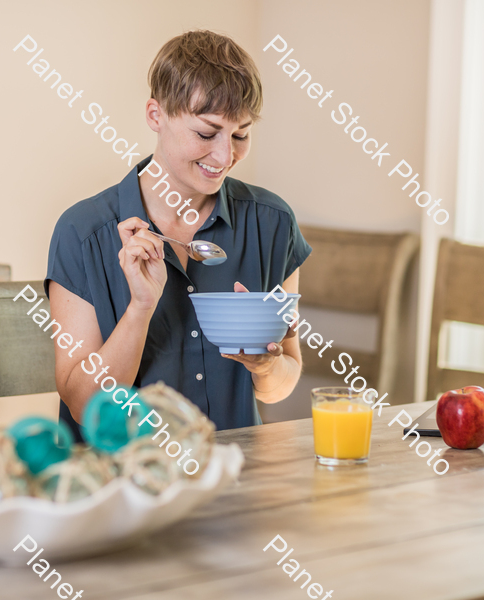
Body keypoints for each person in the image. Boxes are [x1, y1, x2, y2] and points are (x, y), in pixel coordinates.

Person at [45, 29, 312, 436]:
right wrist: (140, 308)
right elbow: (84, 406)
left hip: (233, 477)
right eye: (207, 133)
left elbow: (280, 384)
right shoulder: (83, 233)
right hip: (122, 481)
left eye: (241, 134)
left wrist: (266, 363)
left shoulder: (272, 223)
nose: (226, 156)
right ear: (156, 115)